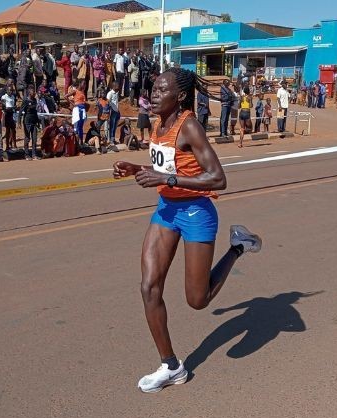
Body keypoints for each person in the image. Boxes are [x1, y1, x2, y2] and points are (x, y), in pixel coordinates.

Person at [112, 67, 262, 393]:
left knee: (198, 299)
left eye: (160, 90)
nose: (153, 94)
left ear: (179, 96)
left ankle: (238, 246)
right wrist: (137, 169)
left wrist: (166, 179)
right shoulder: (158, 123)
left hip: (197, 213)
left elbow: (218, 178)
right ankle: (171, 366)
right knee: (149, 287)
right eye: (152, 88)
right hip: (166, 210)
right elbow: (169, 168)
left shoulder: (189, 126)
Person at [19, 84, 41, 160]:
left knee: (34, 139)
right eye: (33, 91)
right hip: (27, 122)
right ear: (29, 92)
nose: (34, 92)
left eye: (34, 91)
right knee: (27, 138)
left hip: (34, 121)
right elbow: (20, 111)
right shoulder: (25, 100)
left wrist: (38, 121)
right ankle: (26, 154)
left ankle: (34, 155)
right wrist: (19, 122)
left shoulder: (34, 100)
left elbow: (35, 111)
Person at [66, 79, 87, 145]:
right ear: (80, 84)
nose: (85, 86)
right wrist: (73, 104)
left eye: (85, 84)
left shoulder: (82, 92)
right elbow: (66, 96)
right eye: (84, 84)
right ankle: (75, 143)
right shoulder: (75, 91)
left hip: (83, 109)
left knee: (81, 127)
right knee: (76, 126)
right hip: (77, 109)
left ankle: (81, 142)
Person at [1, 84, 18, 150]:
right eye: (9, 90)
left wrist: (15, 108)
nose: (11, 91)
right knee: (8, 131)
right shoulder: (4, 97)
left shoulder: (13, 96)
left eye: (12, 90)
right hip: (7, 114)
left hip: (13, 114)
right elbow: (4, 108)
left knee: (13, 130)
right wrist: (12, 107)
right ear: (6, 90)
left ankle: (14, 144)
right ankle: (7, 146)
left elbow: (13, 105)